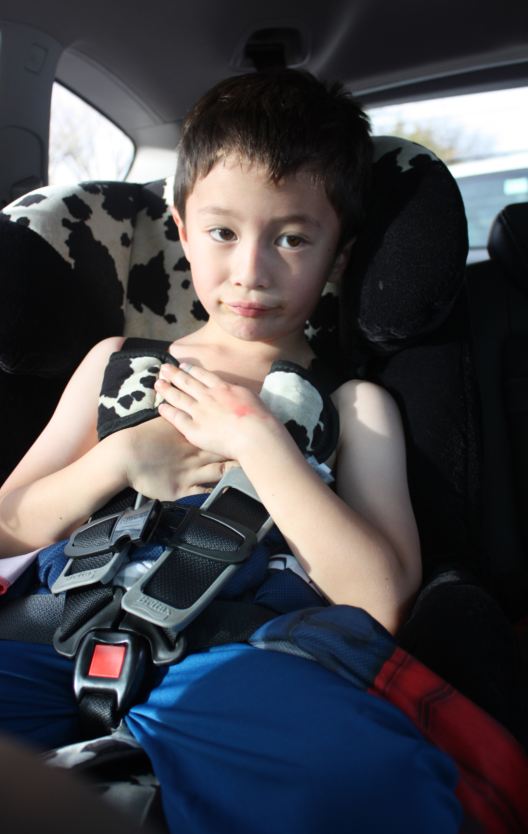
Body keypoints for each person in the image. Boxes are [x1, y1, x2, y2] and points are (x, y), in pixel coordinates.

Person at [0, 70, 462, 832]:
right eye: (222, 233)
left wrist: (259, 440)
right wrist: (117, 461)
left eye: (292, 239)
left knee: (365, 777)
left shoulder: (355, 407)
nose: (251, 272)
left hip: (240, 657)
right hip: (52, 633)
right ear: (182, 230)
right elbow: (8, 524)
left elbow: (380, 600)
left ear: (338, 257)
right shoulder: (115, 365)